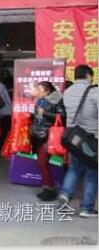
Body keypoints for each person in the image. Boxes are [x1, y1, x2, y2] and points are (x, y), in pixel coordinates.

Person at [58, 65, 98, 217]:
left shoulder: (67, 92)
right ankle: (86, 208)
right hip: (91, 139)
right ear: (88, 75)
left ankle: (65, 194)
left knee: (74, 168)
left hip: (74, 138)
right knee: (92, 173)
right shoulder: (94, 91)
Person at [28, 81, 65, 202]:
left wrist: (46, 113)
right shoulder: (40, 100)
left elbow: (62, 116)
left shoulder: (57, 100)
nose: (37, 91)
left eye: (40, 89)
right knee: (42, 162)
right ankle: (47, 188)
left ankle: (49, 189)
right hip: (38, 134)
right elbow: (38, 116)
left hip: (48, 135)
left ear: (47, 91)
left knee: (42, 162)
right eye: (37, 89)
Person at [0, 76, 13, 154]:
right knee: (5, 131)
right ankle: (4, 147)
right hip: (7, 111)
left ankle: (2, 147)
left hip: (2, 111)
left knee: (1, 131)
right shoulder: (2, 86)